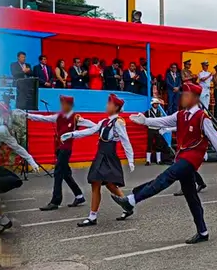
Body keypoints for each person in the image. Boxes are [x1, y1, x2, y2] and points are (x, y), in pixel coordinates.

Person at [113, 82, 217, 244]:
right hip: (182, 156)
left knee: (167, 176)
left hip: (192, 158)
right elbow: (163, 121)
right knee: (192, 197)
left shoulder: (202, 118)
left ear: (194, 98)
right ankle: (203, 231)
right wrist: (145, 121)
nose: (182, 97)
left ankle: (132, 200)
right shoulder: (180, 115)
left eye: (186, 95)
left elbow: (216, 139)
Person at [60, 94, 135, 227]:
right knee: (98, 183)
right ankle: (97, 215)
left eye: (109, 104)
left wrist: (131, 159)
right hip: (100, 155)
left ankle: (120, 208)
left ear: (116, 107)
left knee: (109, 185)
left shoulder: (118, 122)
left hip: (109, 156)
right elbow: (90, 130)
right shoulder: (104, 122)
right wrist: (72, 134)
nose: (107, 106)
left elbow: (125, 140)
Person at [18, 95, 92, 211]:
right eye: (61, 103)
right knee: (66, 173)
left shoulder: (76, 118)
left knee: (58, 173)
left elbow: (92, 126)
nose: (62, 105)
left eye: (63, 103)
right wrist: (27, 115)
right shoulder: (59, 116)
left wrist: (101, 127)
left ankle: (55, 201)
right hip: (58, 148)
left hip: (66, 150)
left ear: (69, 105)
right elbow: (43, 118)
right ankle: (79, 196)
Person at [0, 96, 43, 232]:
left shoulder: (0, 129)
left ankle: (1, 219)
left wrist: (31, 161)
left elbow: (17, 147)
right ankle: (2, 220)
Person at [144, 98, 174, 165]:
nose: (156, 105)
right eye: (155, 103)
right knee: (149, 145)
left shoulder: (160, 112)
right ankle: (148, 161)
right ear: (152, 104)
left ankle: (159, 160)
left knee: (159, 145)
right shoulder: (148, 112)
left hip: (158, 130)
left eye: (157, 104)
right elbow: (145, 121)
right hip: (151, 129)